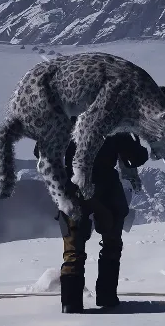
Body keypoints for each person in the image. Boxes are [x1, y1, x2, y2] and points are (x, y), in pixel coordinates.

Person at [36, 132, 148, 313]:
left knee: (74, 250)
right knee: (110, 246)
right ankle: (106, 297)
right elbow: (136, 157)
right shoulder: (112, 120)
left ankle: (71, 304)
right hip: (104, 187)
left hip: (73, 186)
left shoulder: (64, 120)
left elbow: (41, 150)